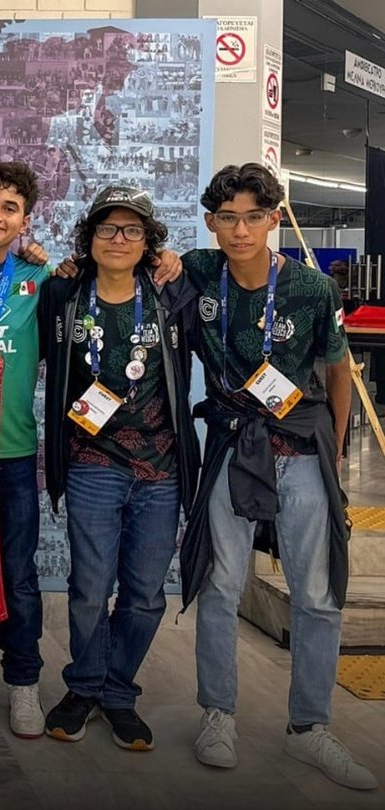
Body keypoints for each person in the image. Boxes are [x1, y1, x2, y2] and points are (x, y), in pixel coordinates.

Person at [0, 162, 182, 737]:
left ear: (27, 221)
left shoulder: (44, 280)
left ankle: (23, 680)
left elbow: (94, 307)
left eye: (10, 208)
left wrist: (162, 260)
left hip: (10, 452)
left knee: (17, 575)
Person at [180, 164, 376, 790]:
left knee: (316, 595)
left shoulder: (314, 290)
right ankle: (218, 714)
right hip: (235, 446)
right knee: (221, 585)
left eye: (254, 217)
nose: (240, 230)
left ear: (274, 219)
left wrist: (336, 451)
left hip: (300, 449)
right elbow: (130, 275)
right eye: (227, 217)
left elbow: (339, 369)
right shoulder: (196, 272)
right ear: (212, 221)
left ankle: (309, 729)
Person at [37, 187, 199, 751]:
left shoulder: (170, 292)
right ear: (89, 238)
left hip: (160, 467)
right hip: (90, 463)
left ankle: (118, 692)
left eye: (133, 231)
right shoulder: (62, 292)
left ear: (150, 241)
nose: (119, 239)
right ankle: (83, 687)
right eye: (108, 229)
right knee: (87, 588)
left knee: (146, 593)